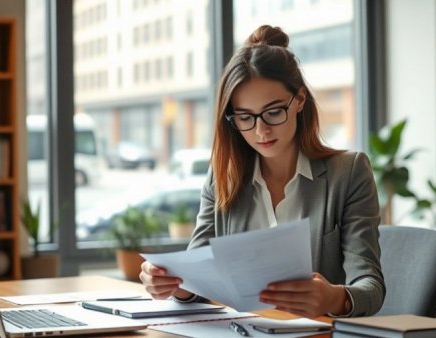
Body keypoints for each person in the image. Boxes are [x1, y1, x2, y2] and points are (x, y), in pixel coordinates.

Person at [140, 25, 384, 318]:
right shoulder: (222, 178)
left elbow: (371, 288)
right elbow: (197, 272)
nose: (261, 130)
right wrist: (174, 283)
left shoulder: (349, 173)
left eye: (273, 112)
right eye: (245, 117)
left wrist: (333, 297)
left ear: (300, 101)